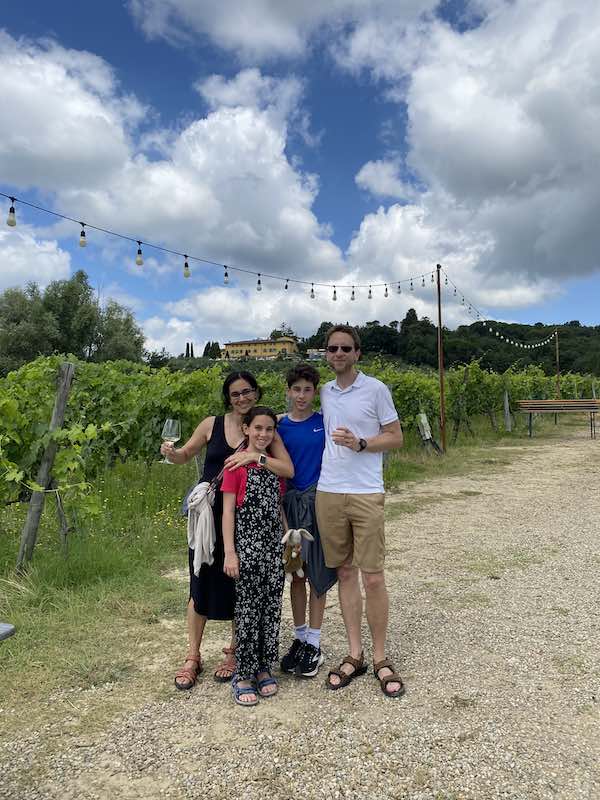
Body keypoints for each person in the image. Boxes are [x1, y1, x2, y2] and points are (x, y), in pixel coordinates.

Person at [160, 372, 294, 691]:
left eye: (247, 391)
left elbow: (286, 469)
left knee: (240, 586)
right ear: (228, 398)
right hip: (210, 519)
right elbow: (186, 455)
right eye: (235, 394)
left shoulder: (265, 428)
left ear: (256, 393)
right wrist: (172, 453)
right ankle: (193, 656)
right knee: (200, 583)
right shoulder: (211, 424)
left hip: (245, 522)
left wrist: (254, 456)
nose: (242, 398)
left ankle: (236, 651)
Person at [315, 325, 405, 698]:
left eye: (345, 348)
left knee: (373, 578)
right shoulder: (324, 391)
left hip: (367, 492)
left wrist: (362, 442)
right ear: (326, 353)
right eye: (332, 348)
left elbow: (396, 437)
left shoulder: (376, 389)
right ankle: (356, 654)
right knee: (345, 574)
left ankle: (382, 657)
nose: (338, 353)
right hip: (329, 491)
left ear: (357, 353)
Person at [221, 407, 287, 706]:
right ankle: (243, 675)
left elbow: (280, 506)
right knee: (247, 611)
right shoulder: (235, 468)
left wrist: (289, 541)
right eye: (258, 428)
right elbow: (228, 512)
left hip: (273, 548)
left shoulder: (272, 466)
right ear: (246, 429)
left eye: (269, 430)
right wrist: (230, 553)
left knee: (271, 606)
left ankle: (263, 667)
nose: (263, 434)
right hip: (246, 548)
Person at [277, 364, 337, 678]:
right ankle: (299, 638)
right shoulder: (277, 426)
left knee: (317, 573)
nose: (301, 395)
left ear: (316, 392)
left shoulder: (324, 423)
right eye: (296, 389)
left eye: (307, 389)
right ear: (288, 391)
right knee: (295, 572)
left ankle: (314, 642)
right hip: (290, 509)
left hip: (319, 505)